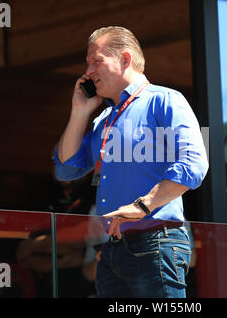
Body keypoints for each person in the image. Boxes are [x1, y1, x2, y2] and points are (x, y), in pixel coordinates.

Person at [52, 26, 208, 298]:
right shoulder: (104, 118)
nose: (88, 71)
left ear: (125, 60)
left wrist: (143, 206)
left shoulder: (166, 101)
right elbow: (66, 169)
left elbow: (194, 165)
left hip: (156, 240)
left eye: (96, 61)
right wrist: (79, 112)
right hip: (112, 246)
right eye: (87, 63)